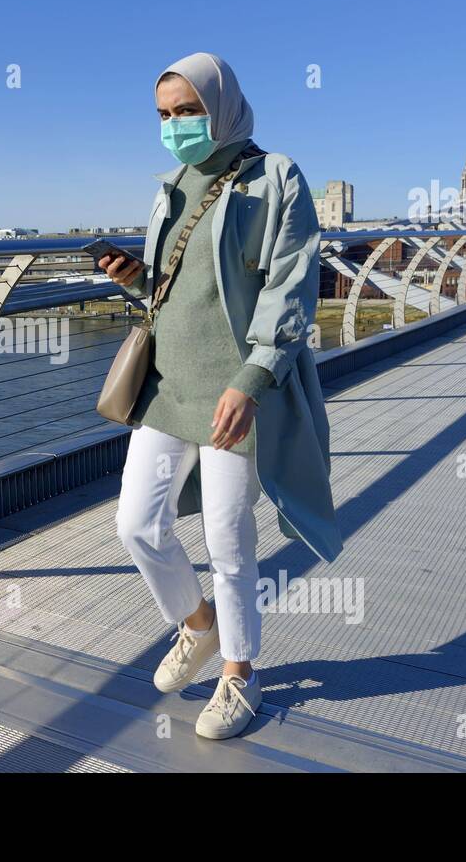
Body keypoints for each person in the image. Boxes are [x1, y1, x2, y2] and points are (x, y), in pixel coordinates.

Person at [97, 52, 340, 741]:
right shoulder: (172, 185)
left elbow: (289, 288)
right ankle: (197, 626)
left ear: (222, 105)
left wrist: (253, 379)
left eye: (187, 111)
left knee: (229, 540)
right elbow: (179, 290)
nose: (174, 126)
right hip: (169, 388)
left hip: (236, 395)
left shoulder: (277, 178)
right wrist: (134, 277)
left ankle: (240, 674)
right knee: (136, 525)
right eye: (164, 116)